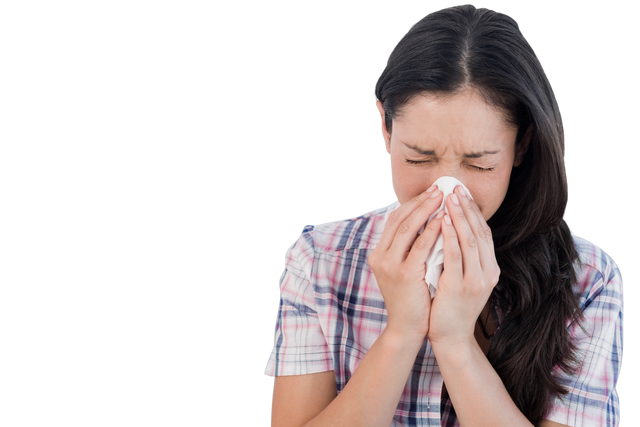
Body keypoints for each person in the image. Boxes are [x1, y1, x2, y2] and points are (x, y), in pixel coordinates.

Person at [263, 3, 625, 426]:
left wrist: (455, 342)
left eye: (480, 165)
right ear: (385, 129)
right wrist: (400, 333)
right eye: (419, 159)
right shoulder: (319, 259)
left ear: (521, 146)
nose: (447, 191)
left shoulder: (589, 277)